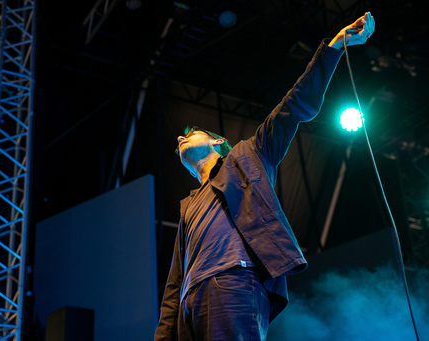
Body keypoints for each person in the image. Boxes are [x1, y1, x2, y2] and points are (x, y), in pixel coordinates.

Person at [155, 12, 375, 341]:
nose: (179, 139)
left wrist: (334, 45)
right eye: (179, 142)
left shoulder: (248, 156)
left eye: (190, 134)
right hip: (189, 301)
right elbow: (173, 285)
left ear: (217, 142)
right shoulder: (188, 206)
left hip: (232, 281)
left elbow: (294, 106)